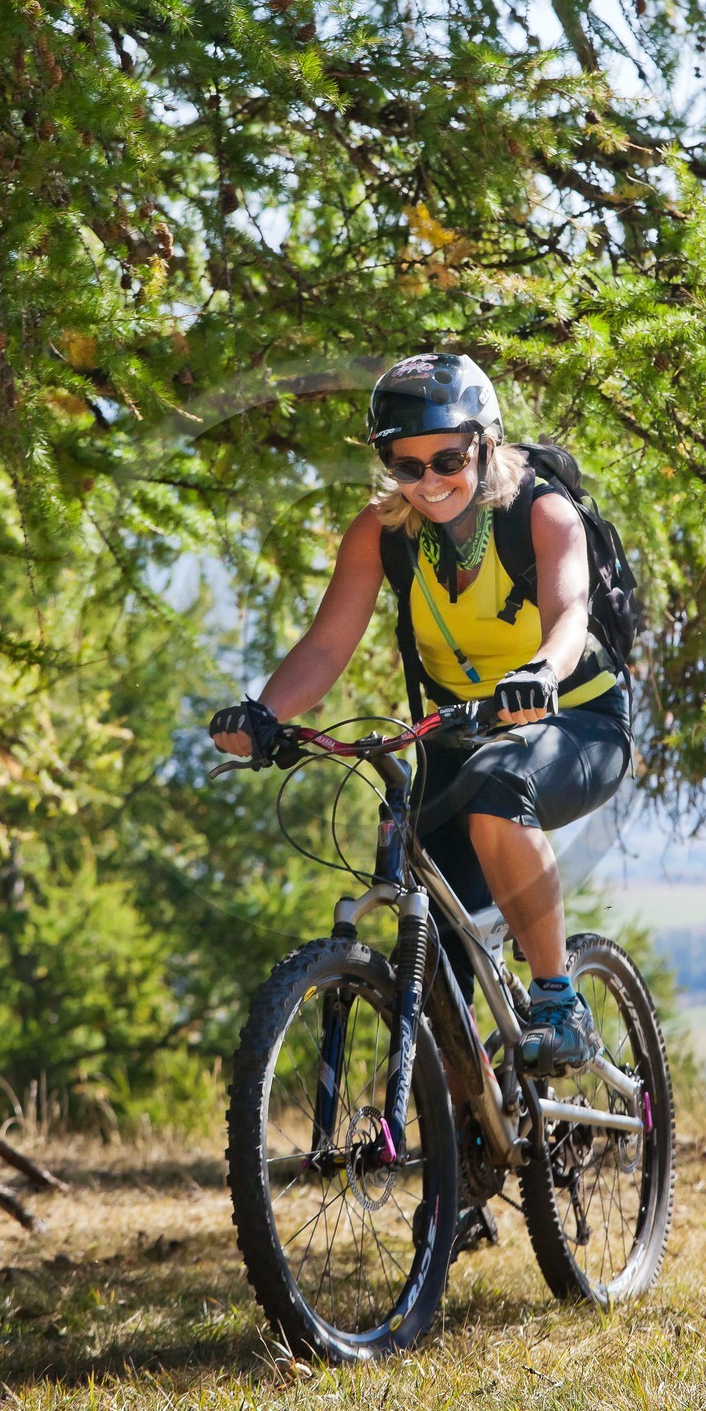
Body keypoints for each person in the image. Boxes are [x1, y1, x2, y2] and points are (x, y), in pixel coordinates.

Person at [209, 351, 631, 1089]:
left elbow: (568, 617)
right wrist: (265, 713)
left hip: (578, 721)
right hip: (462, 734)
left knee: (502, 786)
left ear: (485, 444)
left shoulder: (541, 513)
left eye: (447, 459)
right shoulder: (379, 533)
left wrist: (537, 673)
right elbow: (327, 643)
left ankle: (557, 1002)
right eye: (406, 467)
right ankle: (463, 1160)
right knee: (426, 931)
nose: (429, 481)